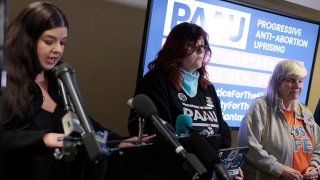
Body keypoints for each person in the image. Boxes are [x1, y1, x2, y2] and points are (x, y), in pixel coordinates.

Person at [3, 2, 151, 180]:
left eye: (62, 42)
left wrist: (118, 141)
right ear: (27, 39)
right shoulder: (7, 80)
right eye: (49, 41)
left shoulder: (60, 77)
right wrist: (44, 138)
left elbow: (83, 122)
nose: (58, 49)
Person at [128, 22, 243, 180]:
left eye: (203, 46)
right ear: (176, 48)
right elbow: (158, 132)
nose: (200, 51)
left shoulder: (207, 87)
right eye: (192, 45)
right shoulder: (156, 81)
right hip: (172, 171)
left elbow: (222, 129)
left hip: (208, 172)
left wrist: (225, 167)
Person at [237, 60, 320, 180]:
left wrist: (314, 166)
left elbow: (317, 145)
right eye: (291, 80)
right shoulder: (260, 107)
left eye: (300, 81)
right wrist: (280, 170)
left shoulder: (304, 111)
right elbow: (249, 148)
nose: (297, 86)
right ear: (277, 82)